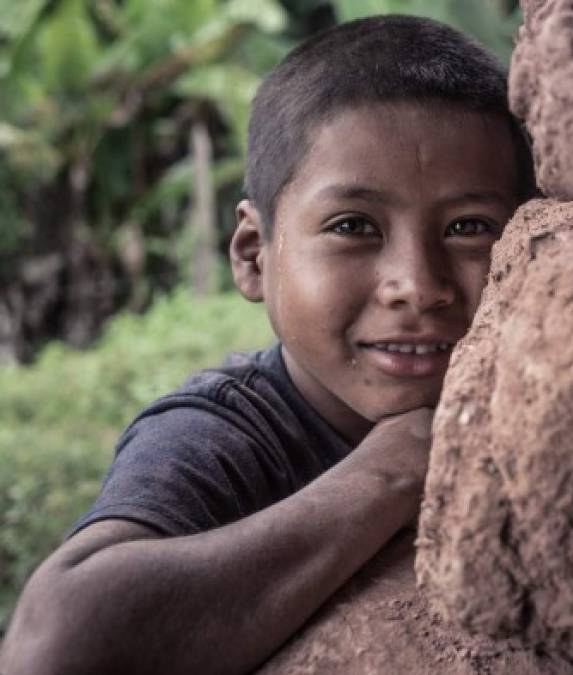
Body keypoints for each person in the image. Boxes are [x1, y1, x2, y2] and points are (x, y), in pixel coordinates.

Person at [0, 15, 534, 675]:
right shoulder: (224, 431)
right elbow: (50, 648)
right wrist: (385, 476)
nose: (417, 285)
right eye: (353, 225)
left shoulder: (540, 405)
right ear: (255, 255)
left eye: (468, 226)